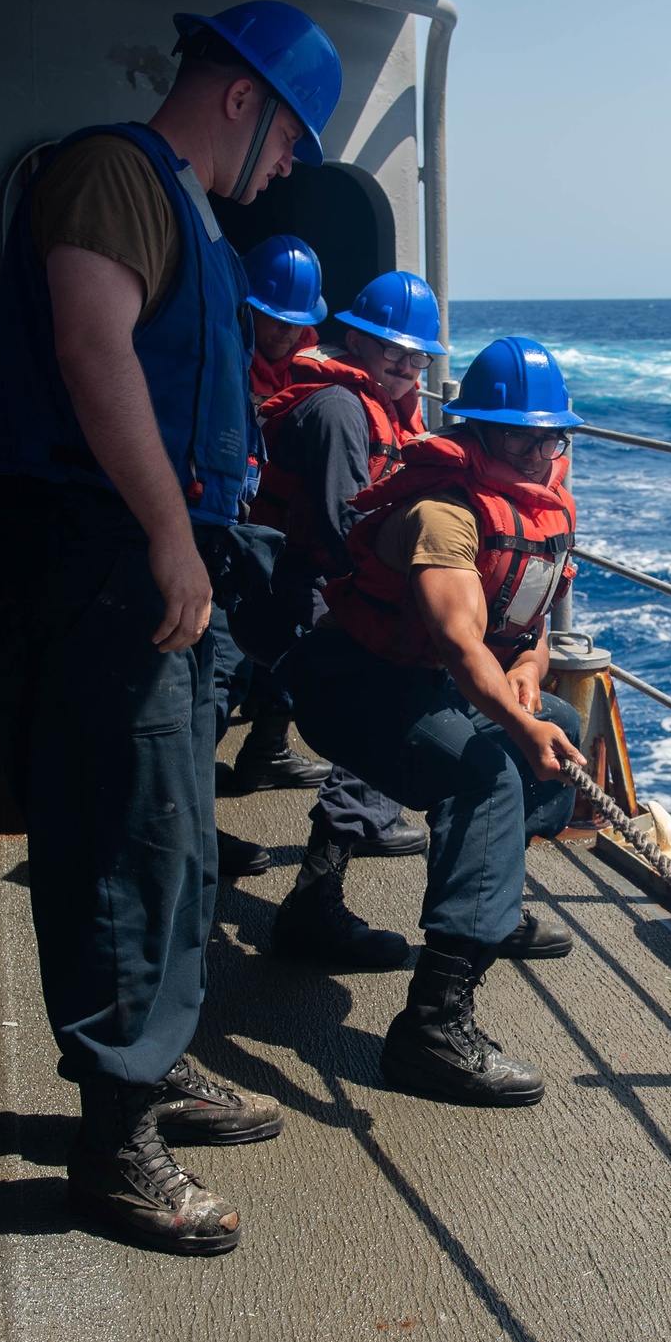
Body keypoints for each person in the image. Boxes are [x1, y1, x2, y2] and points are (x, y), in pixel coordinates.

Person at [0, 0, 342, 1254]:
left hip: (152, 571)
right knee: (120, 846)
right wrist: (172, 534)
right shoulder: (112, 172)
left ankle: (156, 1058)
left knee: (176, 837)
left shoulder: (191, 209)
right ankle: (112, 1137)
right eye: (291, 137)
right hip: (101, 565)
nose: (289, 168)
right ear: (242, 99)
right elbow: (94, 345)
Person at [282, 337, 587, 1105]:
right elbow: (456, 640)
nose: (535, 450)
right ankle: (433, 1028)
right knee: (483, 772)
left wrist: (528, 673)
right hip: (356, 684)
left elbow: (529, 621)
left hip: (426, 683)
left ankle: (492, 898)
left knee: (556, 723)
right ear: (478, 432)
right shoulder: (444, 513)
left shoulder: (531, 509)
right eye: (517, 433)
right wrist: (513, 725)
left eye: (548, 436)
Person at [250, 272, 444, 970]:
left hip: (319, 579)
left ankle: (367, 817)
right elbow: (340, 527)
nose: (404, 366)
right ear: (354, 338)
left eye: (416, 357)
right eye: (391, 350)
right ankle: (316, 897)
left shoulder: (384, 408)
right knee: (388, 689)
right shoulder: (337, 408)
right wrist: (400, 603)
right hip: (290, 587)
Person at [211, 234, 331, 881]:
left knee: (297, 625)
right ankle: (188, 828)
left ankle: (267, 750)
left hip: (277, 533)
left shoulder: (309, 370)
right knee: (212, 677)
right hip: (222, 536)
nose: (285, 336)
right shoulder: (220, 359)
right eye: (273, 320)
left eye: (297, 324)